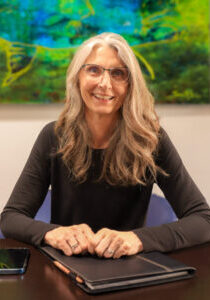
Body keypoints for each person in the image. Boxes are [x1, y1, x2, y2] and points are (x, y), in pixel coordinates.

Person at [1, 32, 210, 259]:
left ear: (130, 85)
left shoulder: (151, 139)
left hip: (131, 271)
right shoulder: (54, 135)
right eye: (94, 70)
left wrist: (138, 239)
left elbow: (202, 219)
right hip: (65, 270)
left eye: (118, 73)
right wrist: (53, 233)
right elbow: (11, 217)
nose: (104, 83)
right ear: (77, 77)